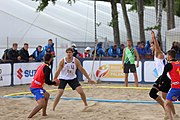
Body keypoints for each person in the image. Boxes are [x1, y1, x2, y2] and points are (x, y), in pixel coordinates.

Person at [148, 31, 176, 120]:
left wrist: (154, 38)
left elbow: (157, 47)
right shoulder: (159, 54)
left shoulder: (159, 53)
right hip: (165, 78)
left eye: (151, 45)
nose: (150, 47)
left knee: (154, 93)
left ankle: (169, 112)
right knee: (164, 96)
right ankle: (173, 113)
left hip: (164, 78)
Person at [28, 53, 58, 118]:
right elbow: (47, 81)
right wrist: (54, 83)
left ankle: (44, 113)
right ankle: (29, 117)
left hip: (36, 86)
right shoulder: (47, 68)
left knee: (47, 95)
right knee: (42, 104)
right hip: (36, 88)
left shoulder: (42, 65)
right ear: (50, 59)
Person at [160, 50, 180, 120]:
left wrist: (160, 83)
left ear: (169, 56)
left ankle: (171, 118)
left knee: (166, 104)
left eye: (167, 55)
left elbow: (163, 76)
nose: (166, 57)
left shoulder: (169, 65)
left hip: (175, 88)